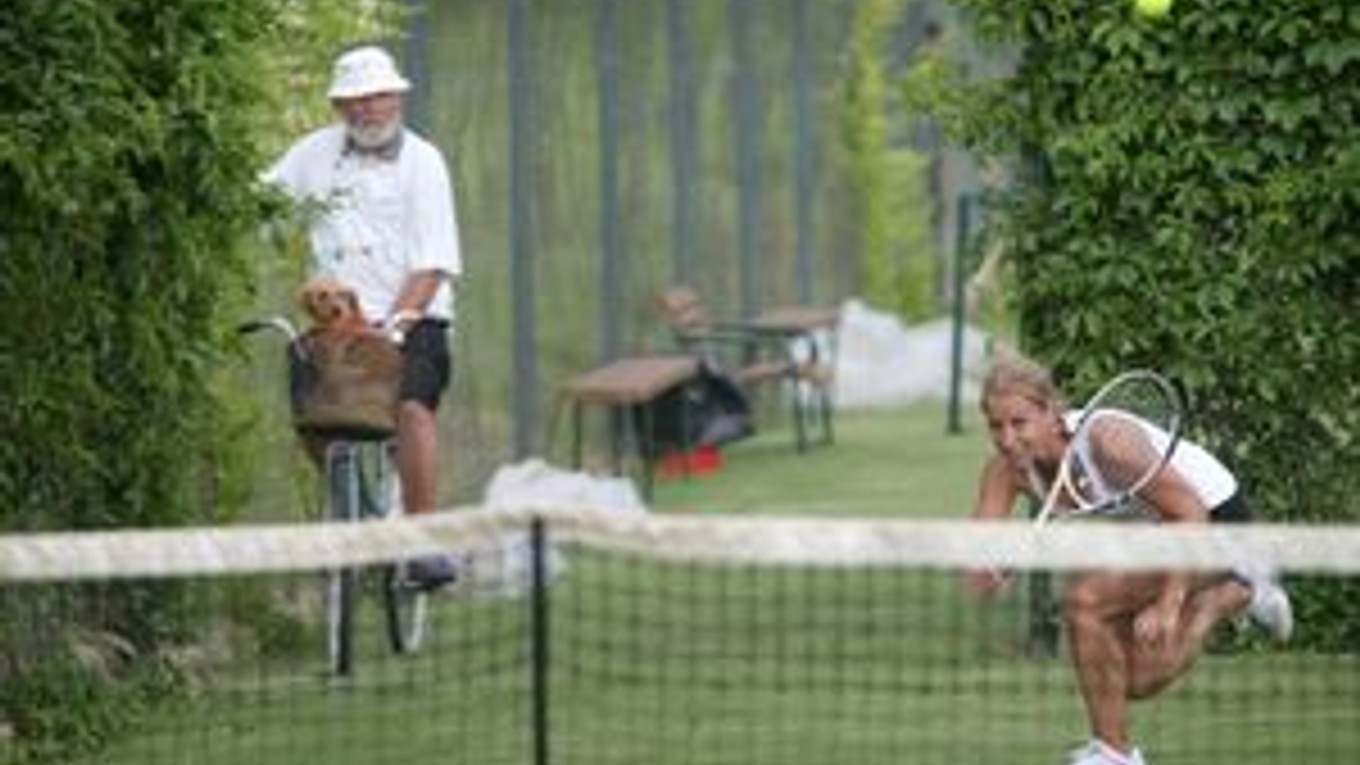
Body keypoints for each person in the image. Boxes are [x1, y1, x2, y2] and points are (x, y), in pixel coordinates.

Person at [965, 355, 1293, 765]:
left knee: (1085, 600)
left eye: (1019, 423)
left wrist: (1169, 604)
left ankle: (1113, 754)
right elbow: (978, 549)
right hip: (1158, 533)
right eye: (996, 426)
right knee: (1135, 680)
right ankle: (1230, 595)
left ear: (1051, 412)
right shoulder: (1005, 470)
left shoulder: (1109, 443)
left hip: (1218, 525)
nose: (1008, 438)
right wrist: (986, 570)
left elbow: (1190, 514)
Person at [265, 45, 461, 589]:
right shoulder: (312, 154)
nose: (367, 108)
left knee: (413, 410)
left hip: (414, 318)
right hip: (336, 327)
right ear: (337, 106)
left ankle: (422, 544)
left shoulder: (424, 161)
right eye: (354, 100)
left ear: (397, 98)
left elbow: (433, 264)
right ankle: (353, 505)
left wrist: (395, 326)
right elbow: (263, 205)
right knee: (310, 412)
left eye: (377, 97)